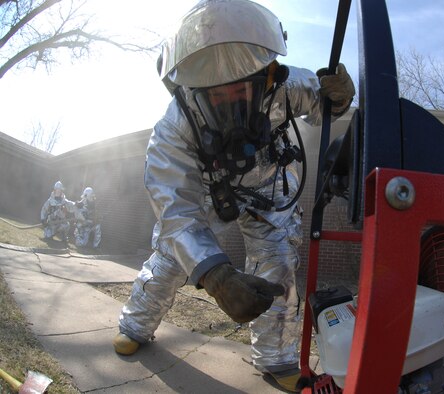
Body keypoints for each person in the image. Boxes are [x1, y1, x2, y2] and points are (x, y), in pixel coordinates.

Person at [112, 0, 354, 391]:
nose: (227, 99)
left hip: (268, 188)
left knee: (278, 263)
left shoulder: (288, 88)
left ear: (267, 76)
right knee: (172, 256)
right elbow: (177, 210)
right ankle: (135, 325)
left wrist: (339, 97)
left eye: (238, 88)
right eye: (215, 94)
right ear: (191, 89)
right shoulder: (174, 128)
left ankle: (276, 358)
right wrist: (216, 276)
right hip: (208, 191)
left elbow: (323, 104)